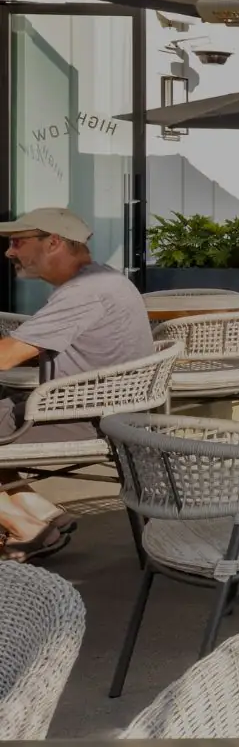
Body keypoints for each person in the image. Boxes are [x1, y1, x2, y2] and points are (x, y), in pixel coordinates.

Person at [0, 207, 154, 560]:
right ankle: (41, 513)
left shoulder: (84, 292)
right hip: (105, 412)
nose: (10, 252)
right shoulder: (104, 279)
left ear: (53, 242)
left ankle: (25, 529)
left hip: (83, 420)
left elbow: (6, 357)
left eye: (18, 243)